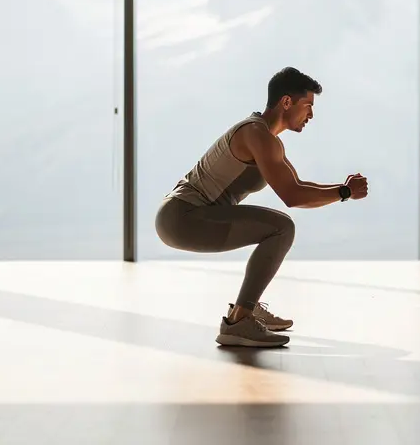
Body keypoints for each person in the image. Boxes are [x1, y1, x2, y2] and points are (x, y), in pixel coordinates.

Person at [155, 67, 369, 348]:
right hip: (182, 217)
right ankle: (239, 320)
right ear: (286, 102)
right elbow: (292, 196)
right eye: (308, 106)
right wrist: (345, 192)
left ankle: (245, 309)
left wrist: (343, 189)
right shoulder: (256, 134)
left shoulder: (268, 139)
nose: (311, 115)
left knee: (280, 226)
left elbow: (298, 184)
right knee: (282, 228)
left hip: (185, 215)